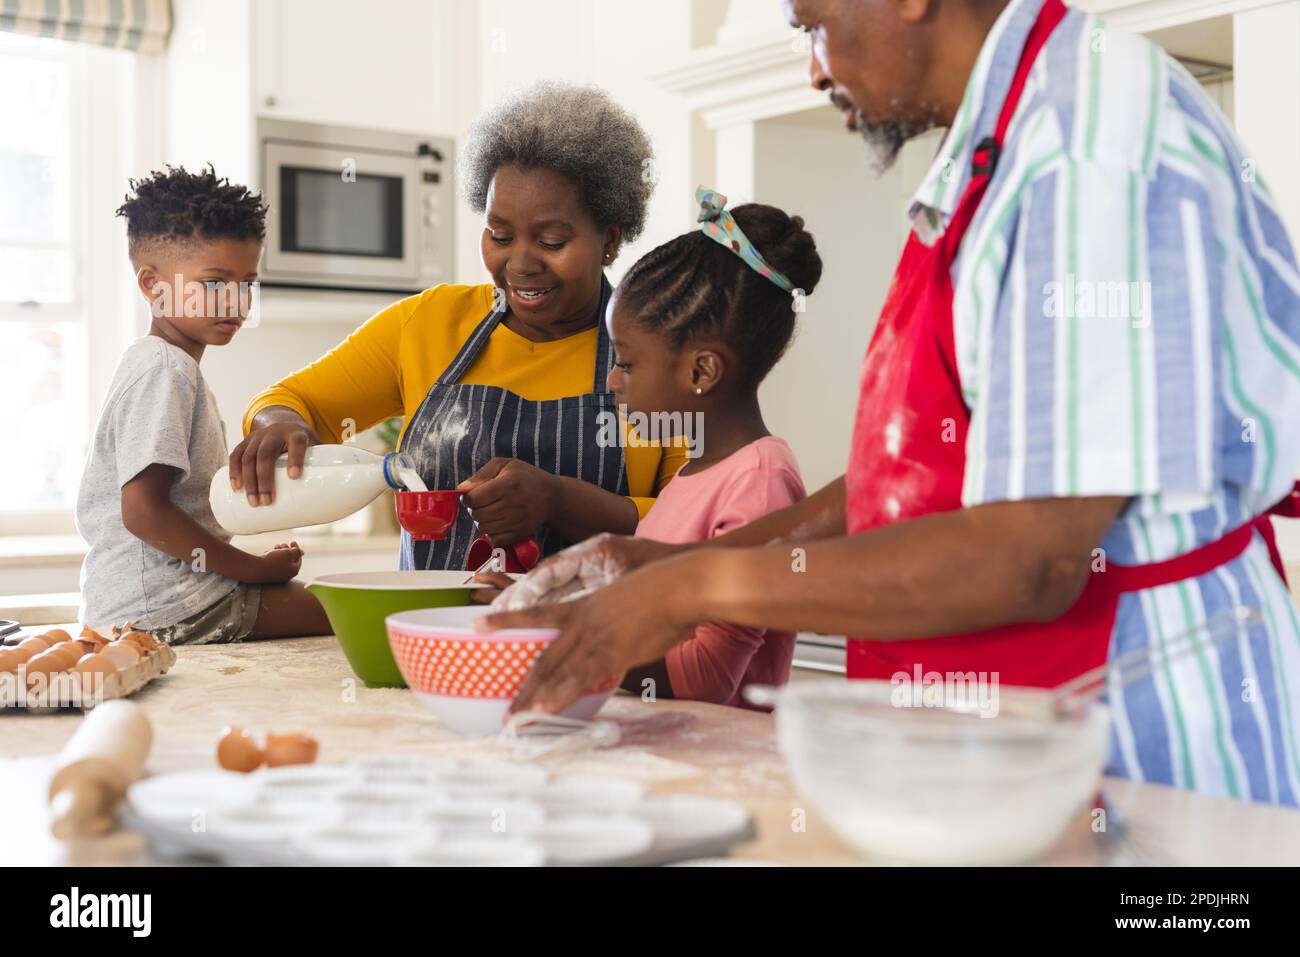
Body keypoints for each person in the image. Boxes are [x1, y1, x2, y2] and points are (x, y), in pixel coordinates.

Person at [485, 0, 1300, 807]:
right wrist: (676, 562)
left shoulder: (1082, 157)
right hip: (1003, 763)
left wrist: (691, 591)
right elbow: (913, 474)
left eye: (813, 24)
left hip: (1139, 759)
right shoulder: (999, 145)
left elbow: (1034, 554)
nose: (813, 66)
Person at [234, 82, 687, 571]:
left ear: (611, 239)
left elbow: (696, 526)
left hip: (595, 643)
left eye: (552, 241)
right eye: (500, 235)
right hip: (433, 642)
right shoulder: (430, 324)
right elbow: (288, 402)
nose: (521, 263)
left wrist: (558, 500)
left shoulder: (662, 354)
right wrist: (277, 424)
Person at [495, 190, 819, 708]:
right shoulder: (694, 473)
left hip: (722, 767)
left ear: (701, 371)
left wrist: (554, 635)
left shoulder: (759, 479)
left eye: (626, 362)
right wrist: (542, 600)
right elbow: (653, 612)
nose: (612, 380)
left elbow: (705, 678)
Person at [76, 166, 330, 643]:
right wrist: (253, 570)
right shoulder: (165, 370)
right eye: (215, 283)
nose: (237, 301)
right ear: (152, 284)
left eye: (248, 282)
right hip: (165, 608)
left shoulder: (169, 367)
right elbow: (143, 512)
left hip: (150, 603)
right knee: (342, 613)